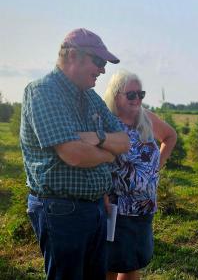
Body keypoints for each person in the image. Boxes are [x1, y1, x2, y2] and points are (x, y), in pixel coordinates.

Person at [20, 28, 130, 280]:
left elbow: (124, 141)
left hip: (95, 207)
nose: (103, 70)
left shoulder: (91, 99)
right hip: (61, 210)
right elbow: (73, 154)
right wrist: (107, 154)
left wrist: (98, 139)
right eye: (99, 61)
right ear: (73, 56)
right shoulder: (43, 92)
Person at [103, 70, 177, 280]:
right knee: (109, 264)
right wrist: (102, 195)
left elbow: (170, 137)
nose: (137, 99)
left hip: (144, 208)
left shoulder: (146, 118)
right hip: (117, 209)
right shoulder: (106, 122)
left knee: (132, 264)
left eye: (140, 94)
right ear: (116, 95)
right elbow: (97, 162)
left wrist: (155, 168)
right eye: (131, 94)